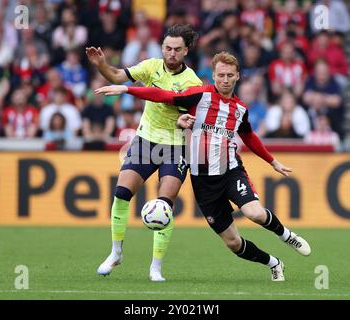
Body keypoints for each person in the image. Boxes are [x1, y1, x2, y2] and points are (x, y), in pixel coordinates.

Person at [95, 51, 311, 281]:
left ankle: (287, 235)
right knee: (233, 243)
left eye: (230, 75)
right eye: (221, 75)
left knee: (255, 213)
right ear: (214, 76)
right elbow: (162, 95)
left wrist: (272, 161)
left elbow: (249, 136)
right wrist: (128, 89)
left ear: (238, 76)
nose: (225, 79)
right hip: (202, 180)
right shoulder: (199, 96)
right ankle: (274, 263)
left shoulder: (240, 109)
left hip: (230, 171)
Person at [86, 24, 202, 281]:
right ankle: (116, 252)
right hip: (146, 141)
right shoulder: (151, 66)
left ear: (186, 51)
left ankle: (156, 267)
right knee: (121, 193)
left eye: (177, 49)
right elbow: (117, 76)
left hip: (175, 146)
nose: (171, 53)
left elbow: (165, 99)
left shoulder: (192, 82)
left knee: (164, 205)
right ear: (162, 47)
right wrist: (101, 65)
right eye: (167, 48)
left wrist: (184, 121)